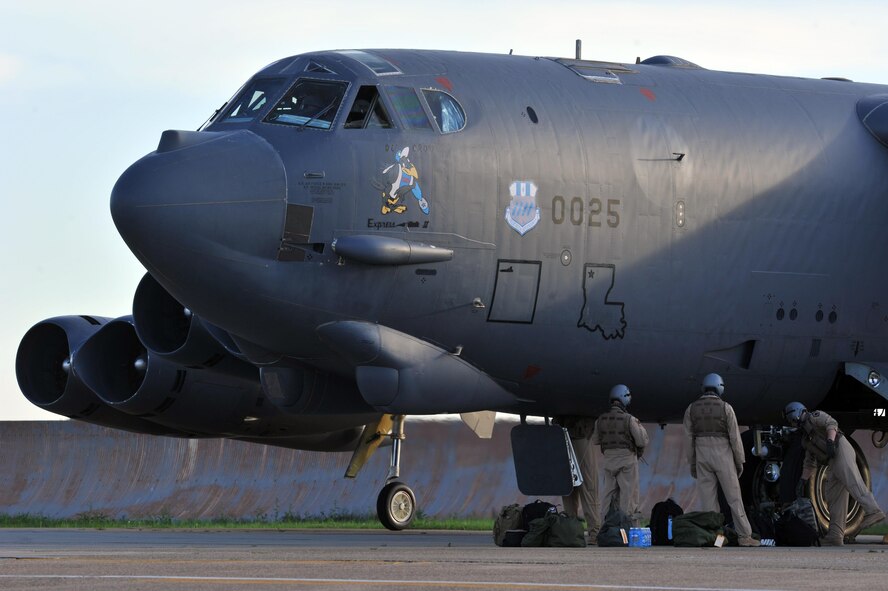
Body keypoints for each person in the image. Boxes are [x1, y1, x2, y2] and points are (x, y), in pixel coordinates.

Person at [784, 402, 886, 545]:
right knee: (834, 496)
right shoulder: (806, 439)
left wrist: (831, 442)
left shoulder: (815, 417)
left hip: (840, 448)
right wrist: (803, 480)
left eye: (791, 418)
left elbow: (831, 424)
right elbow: (810, 463)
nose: (792, 422)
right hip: (832, 460)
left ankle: (874, 511)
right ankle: (835, 536)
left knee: (852, 481)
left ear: (796, 413)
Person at [683, 373, 759, 546]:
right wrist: (739, 461)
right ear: (720, 387)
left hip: (702, 455)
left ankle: (715, 538)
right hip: (722, 454)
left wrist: (693, 463)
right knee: (734, 499)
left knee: (708, 501)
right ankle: (744, 536)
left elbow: (688, 440)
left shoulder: (691, 409)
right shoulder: (726, 408)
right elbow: (735, 438)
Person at [593, 384, 649, 526]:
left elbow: (596, 440)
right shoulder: (629, 419)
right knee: (628, 497)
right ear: (624, 398)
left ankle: (604, 529)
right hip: (627, 461)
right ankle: (628, 531)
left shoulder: (600, 420)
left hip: (608, 460)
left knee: (607, 496)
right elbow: (642, 440)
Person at [557, 415, 600, 543]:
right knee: (589, 487)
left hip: (563, 434)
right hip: (581, 435)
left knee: (568, 488)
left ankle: (571, 532)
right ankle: (594, 533)